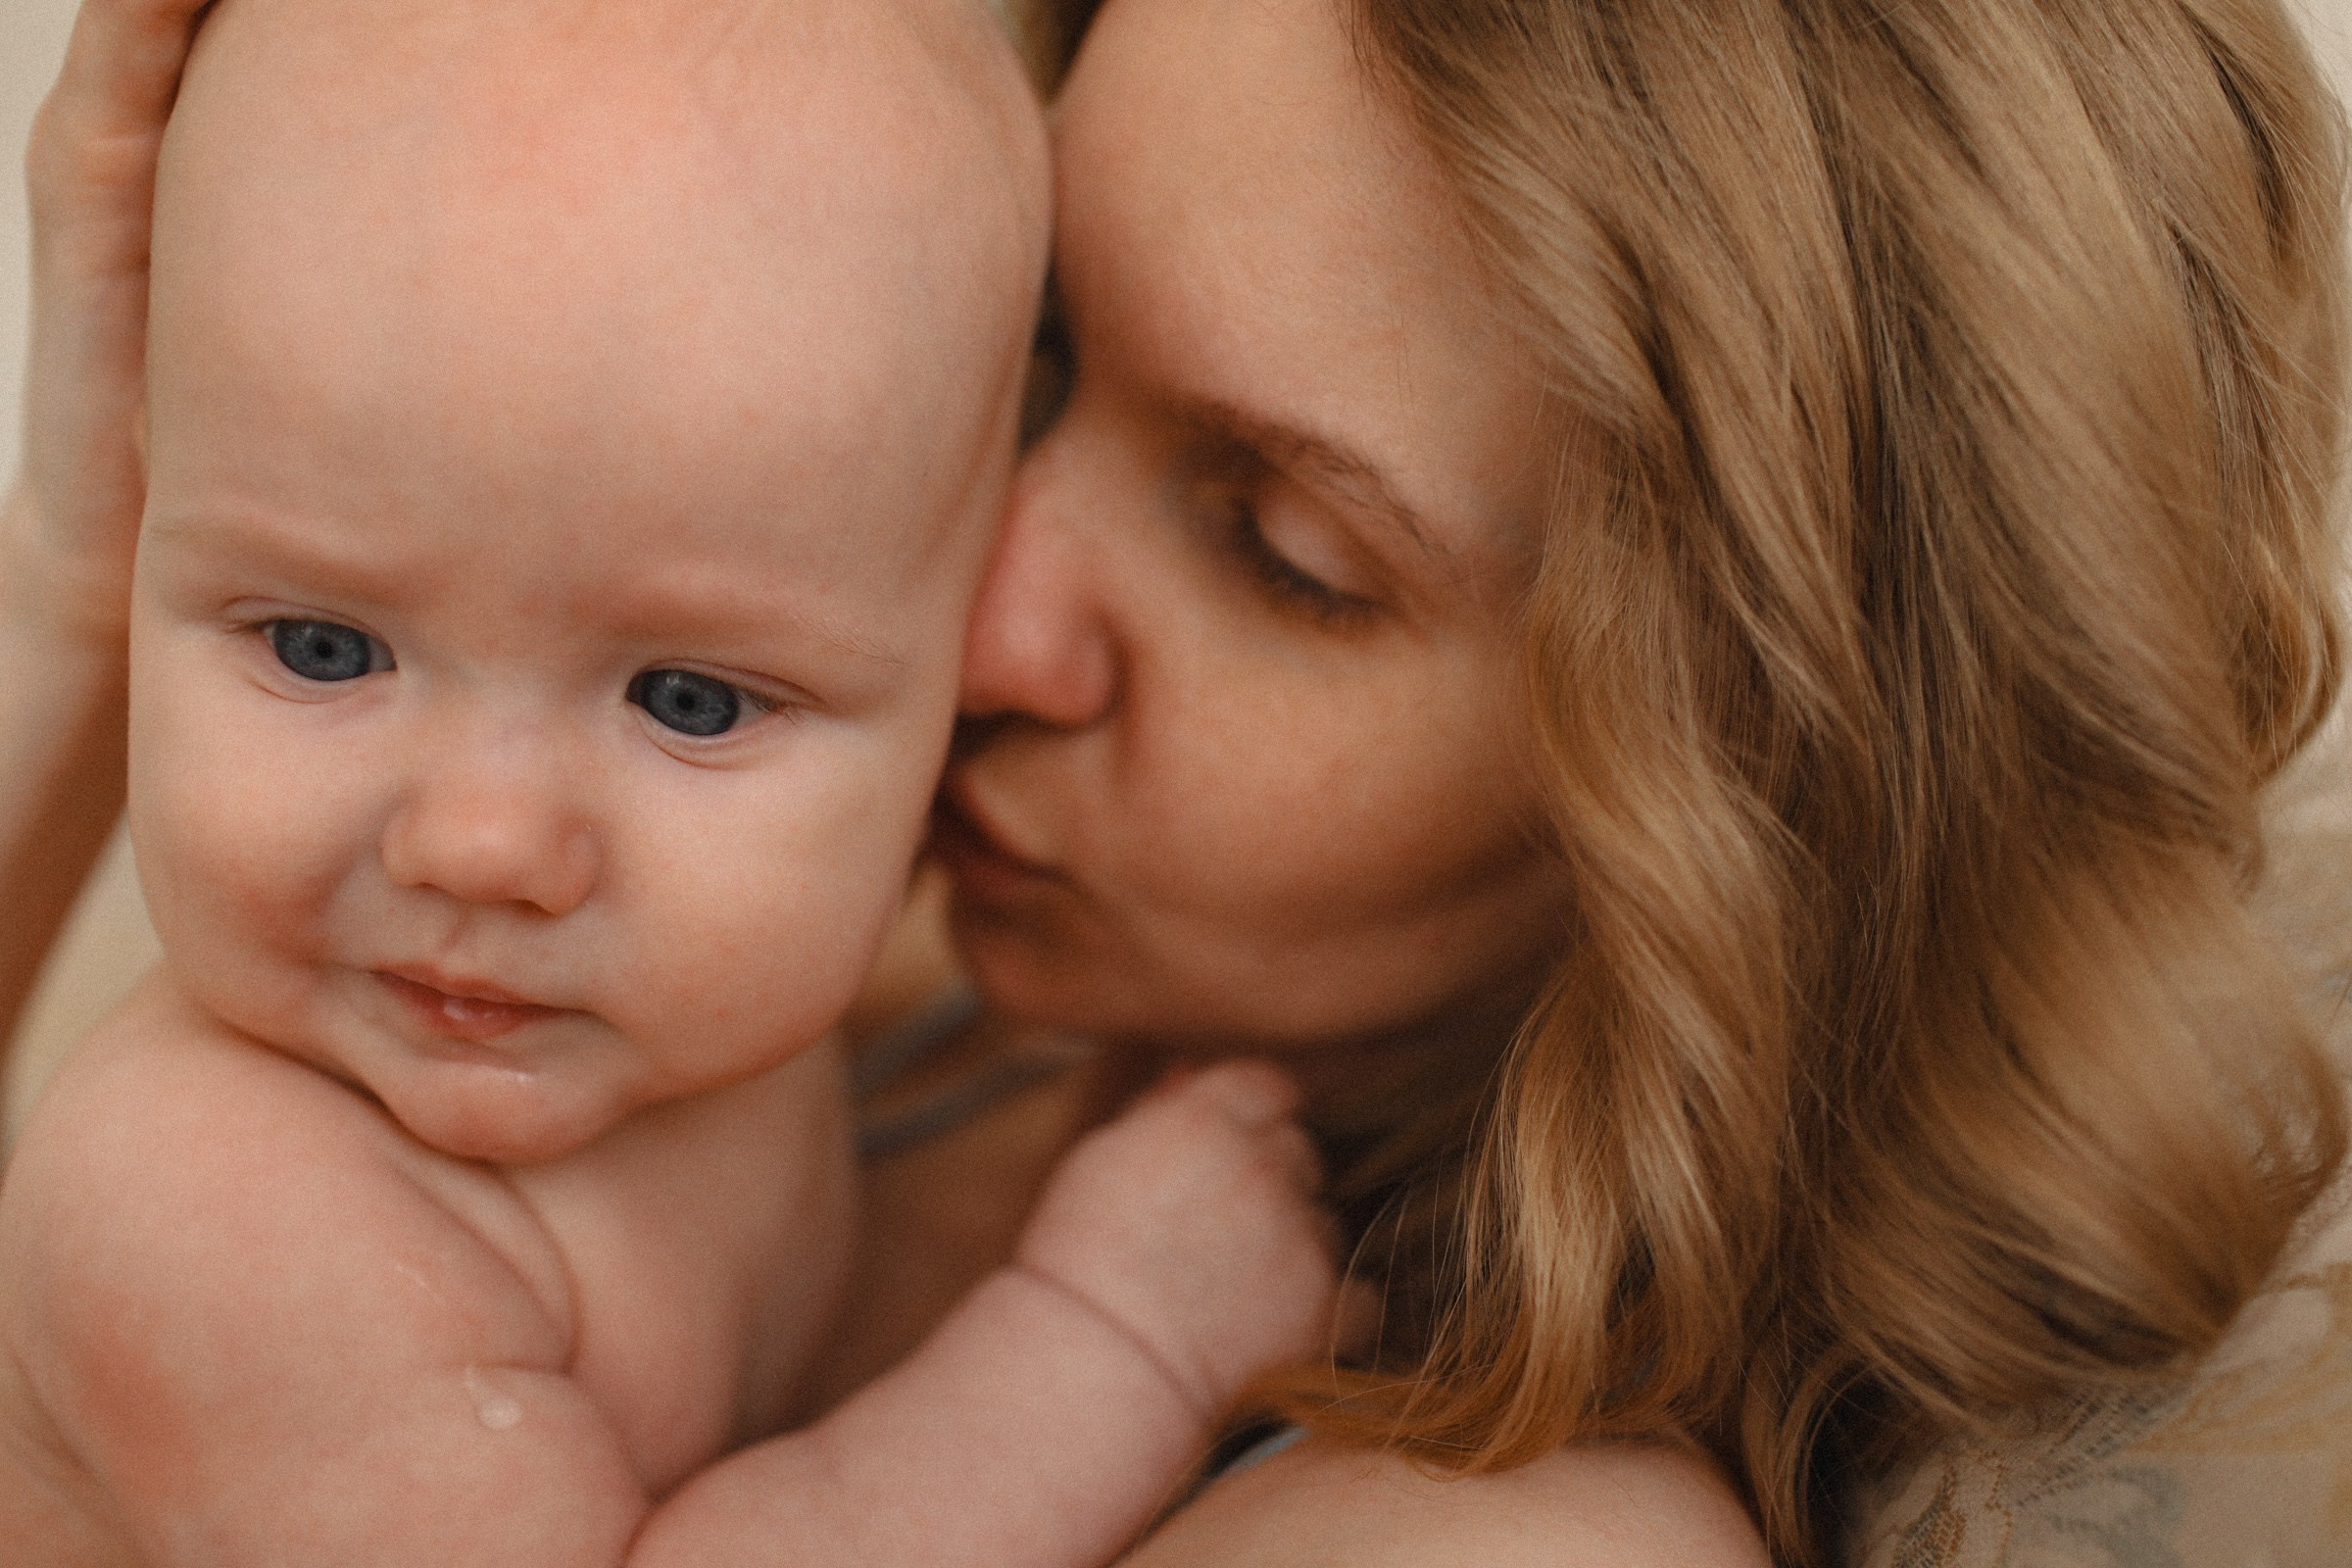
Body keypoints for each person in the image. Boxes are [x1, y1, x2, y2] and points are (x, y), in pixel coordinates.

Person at [5, 0, 2346, 1564]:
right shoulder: (779, 954)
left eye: (1286, 553)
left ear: (1721, 802)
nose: (977, 624)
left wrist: (1105, 1344)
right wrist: (73, 566)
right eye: (1033, 361)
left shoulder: (1498, 1536)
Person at [0, 0, 1347, 1562]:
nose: (482, 845)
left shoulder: (728, 990)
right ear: (147, 513)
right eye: (318, 647)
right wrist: (1108, 1338)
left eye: (691, 699)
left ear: (952, 678)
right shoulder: (219, 1222)